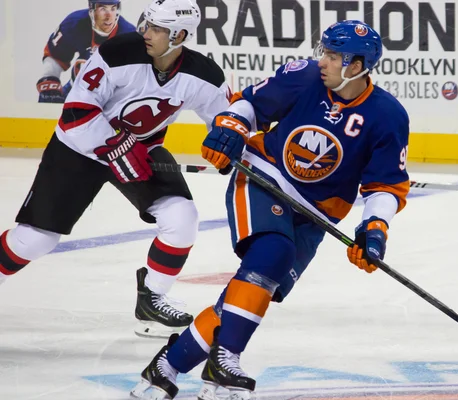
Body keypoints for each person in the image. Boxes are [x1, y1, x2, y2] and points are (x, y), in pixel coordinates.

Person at [131, 20, 410, 399]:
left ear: (357, 66)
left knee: (249, 292)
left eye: (332, 55)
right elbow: (250, 104)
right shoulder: (305, 77)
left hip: (317, 215)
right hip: (265, 179)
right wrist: (229, 128)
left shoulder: (388, 116)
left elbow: (384, 186)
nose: (322, 61)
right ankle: (225, 358)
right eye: (323, 52)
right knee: (272, 254)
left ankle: (167, 365)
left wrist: (374, 229)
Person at [1, 0, 231, 338]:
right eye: (146, 24)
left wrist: (229, 144)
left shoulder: (203, 76)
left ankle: (152, 297)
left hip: (141, 152)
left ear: (179, 34)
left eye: (156, 29)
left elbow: (227, 121)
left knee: (181, 217)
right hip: (78, 149)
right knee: (35, 239)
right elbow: (76, 112)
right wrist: (115, 144)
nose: (145, 33)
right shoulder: (118, 52)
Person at [37, 0, 136, 103]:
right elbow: (56, 55)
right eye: (103, 9)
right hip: (74, 94)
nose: (109, 16)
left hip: (110, 100)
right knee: (85, 64)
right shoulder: (74, 23)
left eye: (113, 8)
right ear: (91, 8)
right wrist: (50, 79)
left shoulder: (129, 37)